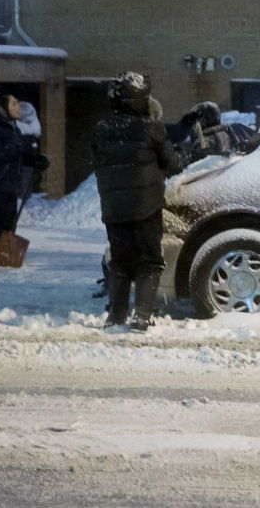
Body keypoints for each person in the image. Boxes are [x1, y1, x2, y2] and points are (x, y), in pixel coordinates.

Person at [92, 72, 188, 331]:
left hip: (113, 208)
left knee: (120, 263)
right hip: (145, 208)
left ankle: (116, 316)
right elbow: (173, 163)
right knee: (149, 261)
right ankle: (142, 316)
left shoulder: (101, 129)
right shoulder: (150, 128)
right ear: (138, 100)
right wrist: (182, 155)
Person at [0, 94, 49, 271]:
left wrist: (34, 160)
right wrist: (16, 154)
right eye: (14, 104)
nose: (18, 108)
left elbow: (19, 153)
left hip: (9, 182)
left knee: (9, 220)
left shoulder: (12, 128)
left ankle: (1, 253)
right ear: (2, 108)